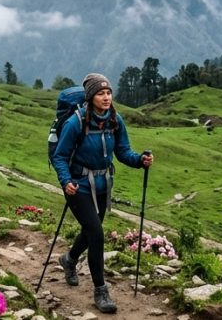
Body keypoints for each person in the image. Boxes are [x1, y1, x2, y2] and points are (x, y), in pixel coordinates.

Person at [52, 73, 153, 314]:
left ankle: (69, 259)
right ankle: (101, 290)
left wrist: (140, 160)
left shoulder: (115, 120)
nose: (106, 97)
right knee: (96, 233)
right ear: (90, 97)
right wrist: (66, 181)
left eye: (108, 92)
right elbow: (60, 156)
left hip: (102, 185)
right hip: (78, 185)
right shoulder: (76, 122)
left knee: (90, 232)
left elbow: (123, 152)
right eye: (100, 93)